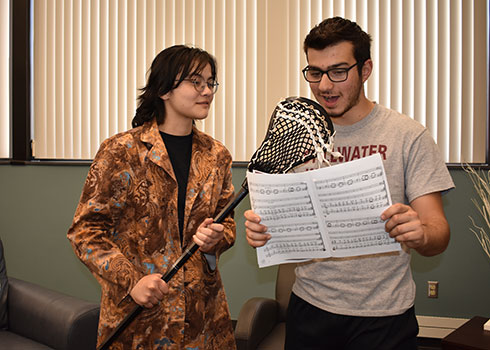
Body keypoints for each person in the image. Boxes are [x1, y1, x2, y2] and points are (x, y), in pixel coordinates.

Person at [244, 17, 454, 350]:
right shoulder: (296, 136)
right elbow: (278, 220)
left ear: (365, 69)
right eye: (315, 72)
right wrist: (262, 232)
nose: (325, 85)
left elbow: (437, 233)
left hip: (385, 316)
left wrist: (422, 232)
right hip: (309, 308)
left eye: (338, 71)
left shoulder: (407, 135)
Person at [67, 45, 237, 349]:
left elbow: (228, 225)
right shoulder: (121, 151)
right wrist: (132, 281)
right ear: (164, 90)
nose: (207, 90)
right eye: (195, 81)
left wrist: (216, 240)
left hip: (204, 321)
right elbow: (85, 232)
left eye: (211, 82)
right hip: (140, 321)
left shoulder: (216, 155)